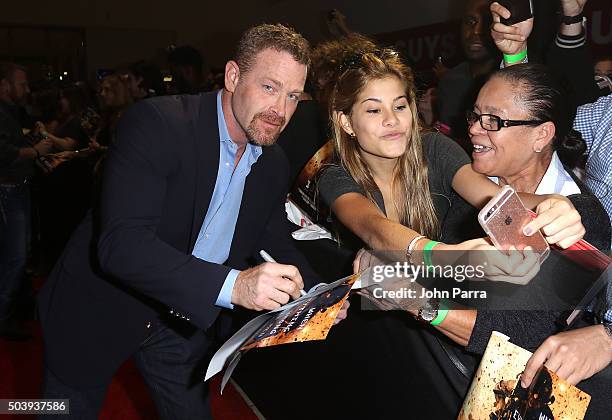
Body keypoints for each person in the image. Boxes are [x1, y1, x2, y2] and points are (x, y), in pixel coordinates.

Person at [37, 24, 335, 418]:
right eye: (269, 87)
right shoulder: (158, 124)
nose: (280, 110)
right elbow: (121, 246)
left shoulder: (272, 161)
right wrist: (236, 286)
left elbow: (270, 237)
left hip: (180, 321)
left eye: (293, 95)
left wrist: (322, 295)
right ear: (232, 76)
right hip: (98, 308)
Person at [0, 62, 53, 340]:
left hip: (16, 190)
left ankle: (12, 312)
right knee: (15, 258)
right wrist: (34, 150)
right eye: (22, 84)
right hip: (9, 192)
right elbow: (5, 152)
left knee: (16, 257)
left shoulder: (13, 112)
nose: (27, 89)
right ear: (5, 85)